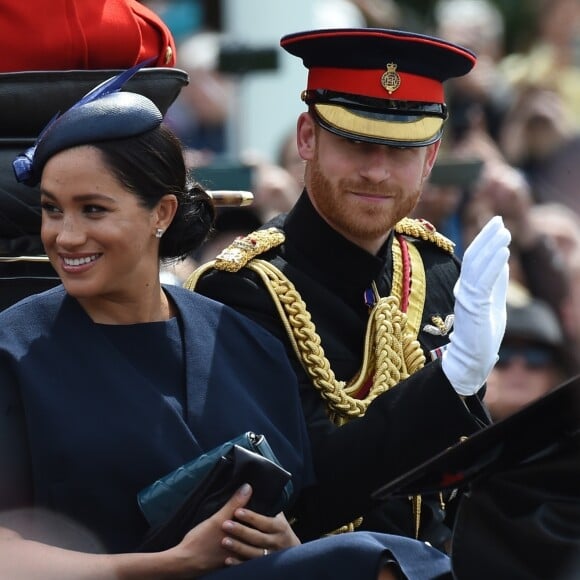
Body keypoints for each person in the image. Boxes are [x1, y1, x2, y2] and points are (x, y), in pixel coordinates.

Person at [0, 68, 462, 580]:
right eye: (50, 210)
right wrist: (166, 565)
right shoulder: (13, 351)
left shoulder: (241, 341)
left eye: (93, 210)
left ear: (162, 213)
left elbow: (296, 510)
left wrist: (289, 543)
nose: (65, 236)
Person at [187, 27, 511, 549]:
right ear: (307, 138)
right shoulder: (244, 291)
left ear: (430, 160)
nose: (378, 172)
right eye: (356, 142)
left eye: (402, 151)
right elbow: (297, 498)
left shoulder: (439, 270)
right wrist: (449, 384)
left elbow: (464, 487)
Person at [484, 282, 574, 422]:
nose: (518, 364)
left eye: (536, 355)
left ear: (555, 373)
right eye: (502, 353)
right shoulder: (448, 429)